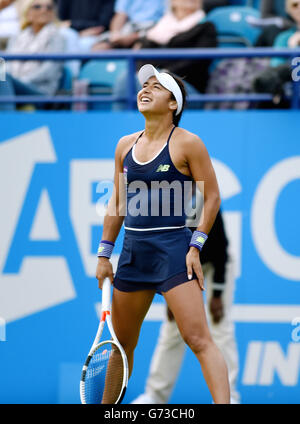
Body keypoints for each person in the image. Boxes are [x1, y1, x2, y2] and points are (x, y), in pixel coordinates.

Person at [95, 63, 230, 404]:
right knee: (121, 347)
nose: (146, 89)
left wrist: (195, 246)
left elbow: (211, 196)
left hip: (173, 253)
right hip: (134, 253)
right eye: (145, 85)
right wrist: (103, 254)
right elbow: (118, 203)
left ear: (174, 104)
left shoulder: (188, 143)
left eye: (157, 87)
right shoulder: (124, 146)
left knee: (199, 340)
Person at [131, 209, 241, 404]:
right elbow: (165, 249)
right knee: (172, 329)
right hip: (181, 264)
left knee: (220, 328)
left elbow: (221, 250)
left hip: (216, 265)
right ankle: (155, 396)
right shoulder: (164, 204)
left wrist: (217, 293)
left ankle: (229, 396)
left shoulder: (204, 201)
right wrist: (169, 296)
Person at [0, 0, 65, 111]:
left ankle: (7, 121)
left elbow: (49, 70)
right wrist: (16, 81)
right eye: (37, 7)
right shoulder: (16, 37)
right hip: (16, 84)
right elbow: (8, 64)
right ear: (27, 12)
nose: (44, 10)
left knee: (3, 79)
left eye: (49, 7)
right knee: (2, 77)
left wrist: (22, 81)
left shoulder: (58, 37)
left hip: (40, 90)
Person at [91, 0, 165, 51]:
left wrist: (133, 37)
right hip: (130, 27)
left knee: (140, 48)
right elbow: (120, 15)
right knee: (98, 48)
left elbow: (166, 22)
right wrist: (115, 34)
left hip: (155, 28)